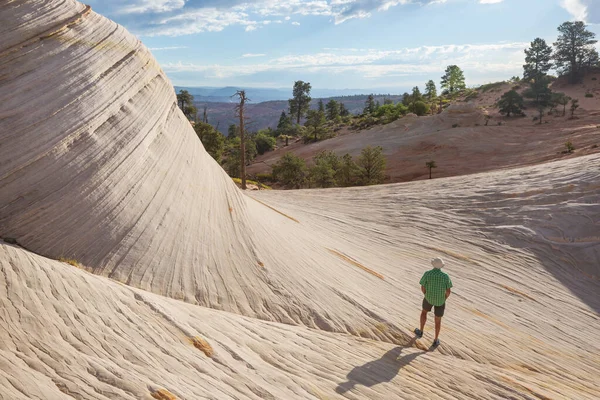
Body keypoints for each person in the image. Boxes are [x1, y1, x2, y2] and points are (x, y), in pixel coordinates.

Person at [414, 257, 452, 347]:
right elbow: (448, 291)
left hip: (428, 298)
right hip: (440, 301)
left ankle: (420, 331)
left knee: (424, 312)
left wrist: (426, 295)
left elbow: (422, 287)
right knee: (438, 320)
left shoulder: (427, 274)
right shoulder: (445, 276)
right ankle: (435, 340)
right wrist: (444, 298)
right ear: (441, 266)